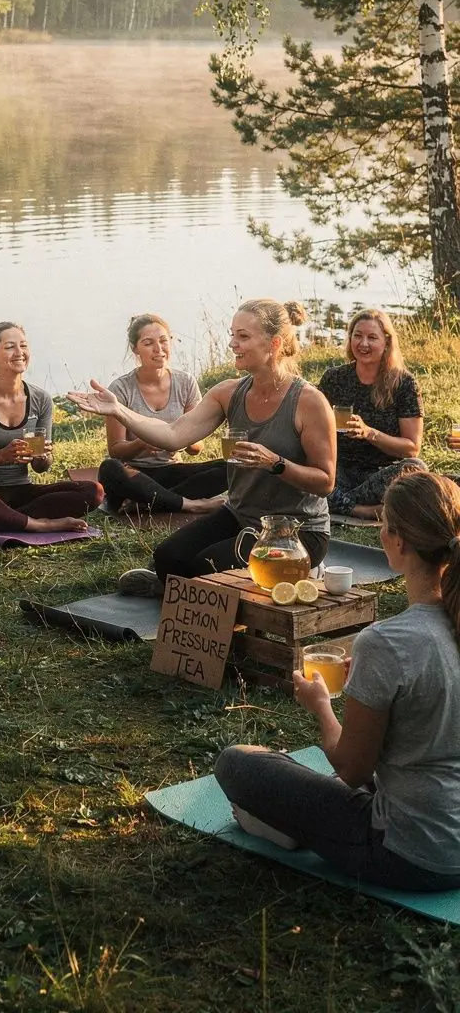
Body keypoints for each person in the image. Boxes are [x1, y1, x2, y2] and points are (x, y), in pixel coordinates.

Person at [214, 471, 460, 892]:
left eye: (383, 524)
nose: (380, 534)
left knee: (237, 763)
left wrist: (321, 704)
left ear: (398, 541)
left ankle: (291, 827)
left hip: (410, 854)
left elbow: (351, 768)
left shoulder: (387, 642)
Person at [68, 299, 335, 595]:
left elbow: (325, 482)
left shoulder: (309, 402)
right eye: (232, 334)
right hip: (241, 515)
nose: (232, 343)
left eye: (243, 337)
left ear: (273, 344)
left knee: (204, 568)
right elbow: (173, 434)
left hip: (295, 531)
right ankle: (181, 586)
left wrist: (275, 463)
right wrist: (119, 410)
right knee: (167, 558)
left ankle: (303, 567)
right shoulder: (228, 392)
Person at [0, 322, 101, 533]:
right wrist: (2, 456)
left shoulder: (41, 399)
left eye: (23, 346)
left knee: (93, 491)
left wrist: (43, 457)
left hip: (22, 492)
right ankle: (37, 523)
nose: (19, 353)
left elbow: (40, 468)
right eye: (10, 347)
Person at [97, 313, 227, 515]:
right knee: (109, 468)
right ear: (135, 349)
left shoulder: (186, 383)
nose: (159, 349)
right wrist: (142, 444)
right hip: (135, 474)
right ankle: (188, 504)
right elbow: (116, 450)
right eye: (148, 343)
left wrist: (181, 440)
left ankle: (151, 501)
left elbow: (197, 448)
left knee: (229, 468)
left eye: (163, 341)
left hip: (171, 471)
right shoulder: (121, 388)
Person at [318, 308, 425, 520]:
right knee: (301, 466)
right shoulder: (334, 378)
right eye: (357, 336)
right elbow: (311, 424)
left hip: (380, 473)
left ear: (386, 343)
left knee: (416, 469)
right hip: (339, 469)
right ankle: (363, 510)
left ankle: (335, 502)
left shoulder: (404, 384)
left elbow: (411, 448)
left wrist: (368, 433)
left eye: (372, 337)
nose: (363, 344)